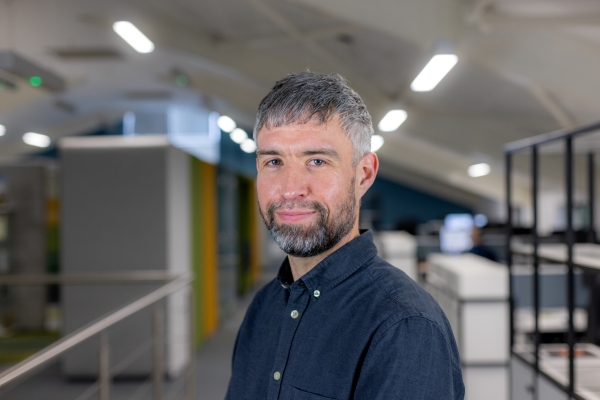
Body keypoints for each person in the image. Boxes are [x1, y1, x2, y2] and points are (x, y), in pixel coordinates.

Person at [225, 72, 464, 400]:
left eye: (317, 161)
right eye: (274, 161)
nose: (290, 188)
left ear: (363, 174)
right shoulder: (264, 306)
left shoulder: (404, 326)